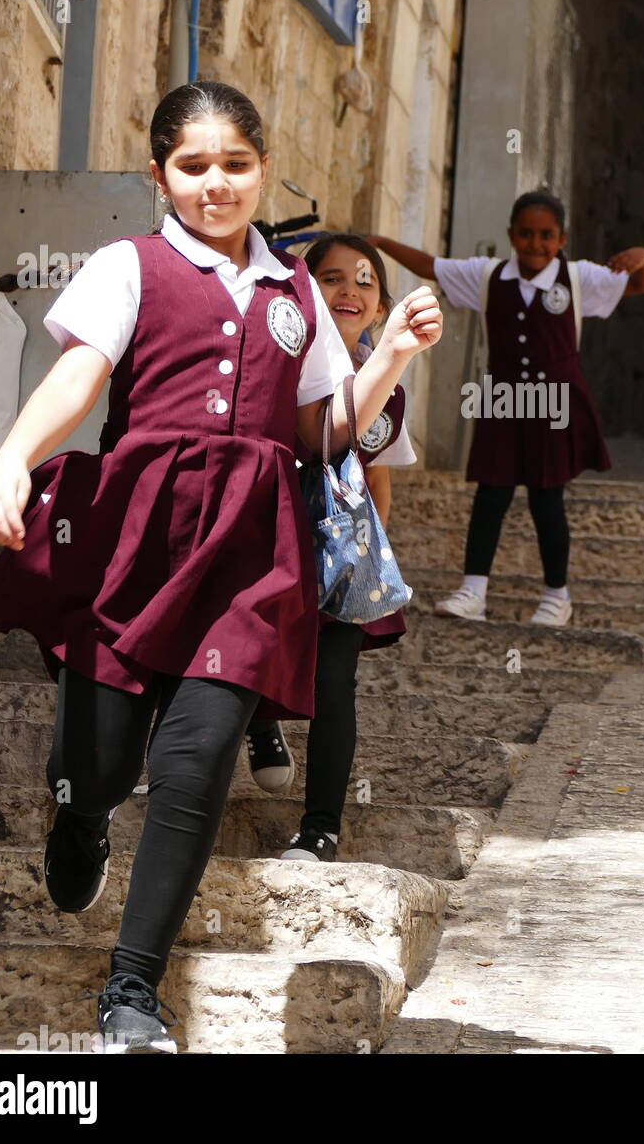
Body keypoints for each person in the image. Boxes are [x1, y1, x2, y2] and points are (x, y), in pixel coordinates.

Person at [0, 82, 442, 1053]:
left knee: (193, 768)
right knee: (99, 763)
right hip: (137, 532)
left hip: (251, 557)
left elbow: (322, 432)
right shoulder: (127, 265)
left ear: (263, 169)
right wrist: (12, 454)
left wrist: (386, 354)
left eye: (235, 164)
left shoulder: (296, 292)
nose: (215, 184)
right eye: (193, 165)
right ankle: (82, 815)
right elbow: (80, 373)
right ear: (160, 175)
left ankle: (133, 991)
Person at [370, 191, 644, 626]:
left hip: (555, 402)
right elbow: (432, 265)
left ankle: (557, 596)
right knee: (491, 494)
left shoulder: (579, 279)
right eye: (526, 234)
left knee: (547, 498)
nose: (535, 244)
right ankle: (473, 591)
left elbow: (638, 285)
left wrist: (643, 257)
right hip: (503, 399)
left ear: (562, 238)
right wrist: (376, 241)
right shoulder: (488, 276)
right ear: (511, 235)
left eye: (546, 236)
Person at [244, 233, 417, 864]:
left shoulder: (389, 386)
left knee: (335, 682)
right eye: (333, 278)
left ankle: (321, 828)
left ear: (380, 306)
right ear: (304, 292)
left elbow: (379, 476)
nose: (350, 290)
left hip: (338, 551)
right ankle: (259, 726)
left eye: (365, 280)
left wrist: (363, 560)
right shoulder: (274, 359)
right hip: (264, 537)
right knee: (247, 650)